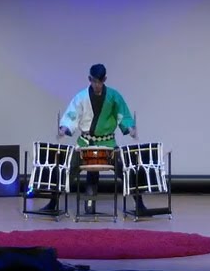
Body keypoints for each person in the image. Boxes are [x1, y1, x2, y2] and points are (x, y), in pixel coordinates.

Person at [42, 63, 149, 216]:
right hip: (85, 143)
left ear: (104, 79)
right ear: (89, 79)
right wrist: (64, 128)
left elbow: (123, 115)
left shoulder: (113, 96)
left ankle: (140, 205)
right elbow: (72, 115)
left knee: (126, 169)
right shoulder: (81, 97)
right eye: (93, 81)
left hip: (107, 144)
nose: (96, 85)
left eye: (99, 81)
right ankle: (52, 203)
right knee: (67, 169)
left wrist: (130, 128)